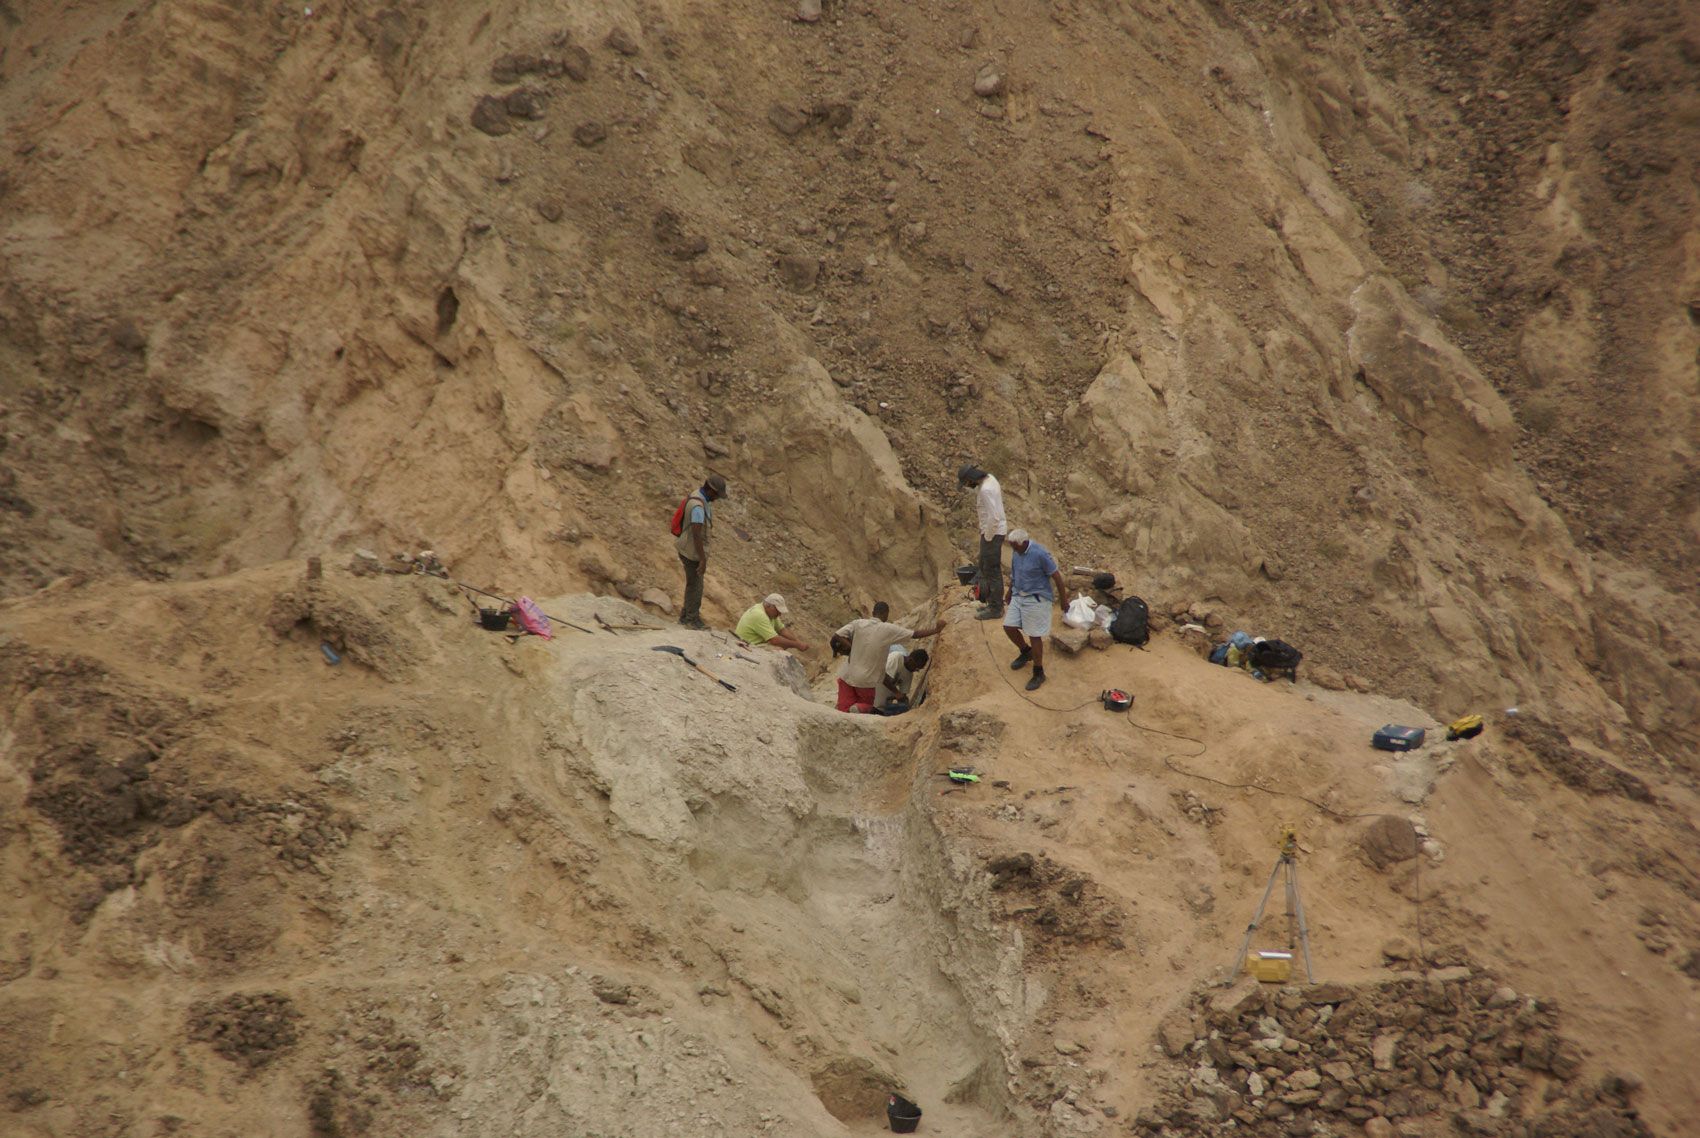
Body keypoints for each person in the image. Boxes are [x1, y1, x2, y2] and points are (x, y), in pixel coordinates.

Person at [834, 604, 943, 713]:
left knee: (843, 710)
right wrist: (936, 630)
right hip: (866, 681)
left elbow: (837, 636)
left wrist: (852, 649)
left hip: (846, 675)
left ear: (873, 612)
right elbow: (914, 634)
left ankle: (851, 709)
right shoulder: (888, 630)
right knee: (866, 707)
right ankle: (860, 708)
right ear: (886, 614)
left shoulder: (858, 623)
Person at [1002, 528, 1070, 691]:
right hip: (1019, 594)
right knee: (1009, 627)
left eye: (1014, 546)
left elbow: (1056, 577)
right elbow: (1014, 574)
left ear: (1024, 543)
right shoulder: (1016, 552)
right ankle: (1026, 652)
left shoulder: (1040, 553)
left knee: (1034, 635)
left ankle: (1039, 672)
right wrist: (1010, 591)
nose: (1013, 549)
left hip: (1036, 597)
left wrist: (1063, 600)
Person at [674, 473, 727, 629]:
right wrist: (702, 560)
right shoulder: (698, 507)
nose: (717, 498)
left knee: (692, 584)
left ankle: (685, 616)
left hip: (687, 547)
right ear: (710, 490)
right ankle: (692, 620)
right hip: (692, 551)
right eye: (716, 495)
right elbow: (697, 535)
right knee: (697, 586)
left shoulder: (697, 496)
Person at [958, 464, 1007, 620]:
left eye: (966, 483)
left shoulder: (985, 491)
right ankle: (992, 603)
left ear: (971, 479)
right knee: (985, 567)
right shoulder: (990, 479)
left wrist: (987, 537)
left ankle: (996, 609)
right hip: (994, 531)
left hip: (992, 533)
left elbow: (994, 516)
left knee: (992, 571)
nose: (967, 486)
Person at [735, 593, 810, 651]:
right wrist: (797, 645)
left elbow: (782, 630)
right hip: (746, 644)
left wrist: (798, 642)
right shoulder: (759, 614)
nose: (779, 614)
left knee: (785, 644)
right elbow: (775, 640)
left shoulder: (771, 614)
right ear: (769, 606)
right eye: (778, 611)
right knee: (779, 651)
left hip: (756, 643)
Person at [877, 645, 929, 714]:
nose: (916, 670)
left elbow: (903, 694)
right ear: (910, 660)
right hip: (872, 698)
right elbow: (883, 677)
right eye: (916, 667)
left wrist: (904, 702)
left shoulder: (909, 674)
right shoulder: (896, 657)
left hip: (882, 707)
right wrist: (896, 692)